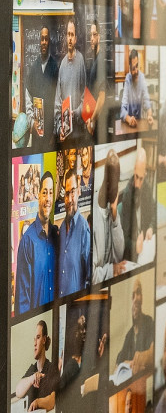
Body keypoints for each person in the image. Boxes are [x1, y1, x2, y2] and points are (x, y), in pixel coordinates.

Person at [15, 172, 57, 313]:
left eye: (51, 193)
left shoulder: (57, 238)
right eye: (44, 192)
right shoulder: (27, 241)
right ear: (38, 195)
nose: (48, 198)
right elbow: (22, 302)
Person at [57, 167, 91, 297]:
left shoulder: (83, 229)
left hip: (74, 309)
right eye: (66, 193)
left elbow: (89, 278)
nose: (70, 199)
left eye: (72, 192)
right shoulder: (61, 230)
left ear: (79, 192)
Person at [92, 149, 125, 282]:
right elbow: (92, 276)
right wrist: (111, 270)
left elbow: (119, 255)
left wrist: (115, 214)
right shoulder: (93, 216)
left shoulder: (112, 210)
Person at [118, 144, 155, 263]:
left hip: (145, 245)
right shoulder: (127, 194)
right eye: (136, 177)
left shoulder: (147, 187)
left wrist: (151, 227)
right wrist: (135, 245)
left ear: (145, 174)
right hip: (132, 252)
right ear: (134, 170)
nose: (138, 184)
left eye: (141, 178)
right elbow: (123, 237)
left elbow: (154, 212)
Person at [54, 19, 88, 145]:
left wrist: (77, 112)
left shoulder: (80, 61)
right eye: (68, 34)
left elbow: (85, 97)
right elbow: (58, 100)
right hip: (65, 134)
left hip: (79, 133)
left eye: (72, 35)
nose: (69, 38)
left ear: (76, 39)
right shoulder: (62, 65)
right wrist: (59, 128)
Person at [25, 26, 59, 151]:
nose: (44, 42)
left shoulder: (55, 67)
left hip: (50, 133)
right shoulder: (33, 68)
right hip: (36, 132)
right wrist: (31, 121)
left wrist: (54, 132)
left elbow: (58, 100)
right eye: (42, 39)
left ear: (49, 41)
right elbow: (28, 96)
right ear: (39, 42)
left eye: (46, 39)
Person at [14, 319, 59, 410]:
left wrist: (37, 403)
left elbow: (52, 401)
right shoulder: (32, 369)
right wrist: (31, 378)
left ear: (44, 339)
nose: (34, 343)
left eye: (38, 338)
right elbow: (18, 392)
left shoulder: (51, 368)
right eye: (34, 339)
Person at [115, 277, 155, 374]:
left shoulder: (149, 322)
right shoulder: (129, 335)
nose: (136, 298)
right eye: (133, 295)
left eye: (138, 293)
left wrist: (141, 357)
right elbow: (117, 365)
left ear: (142, 297)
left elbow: (153, 351)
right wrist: (128, 362)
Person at [119, 48, 155, 130]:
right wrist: (129, 119)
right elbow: (122, 109)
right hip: (129, 124)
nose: (136, 71)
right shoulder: (128, 79)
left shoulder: (141, 77)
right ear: (129, 69)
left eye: (137, 66)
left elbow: (146, 101)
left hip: (139, 123)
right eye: (133, 68)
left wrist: (149, 115)